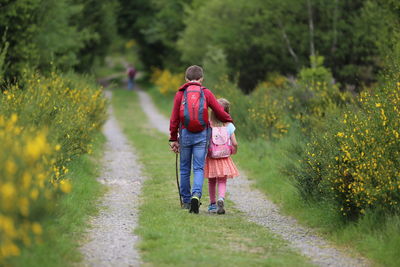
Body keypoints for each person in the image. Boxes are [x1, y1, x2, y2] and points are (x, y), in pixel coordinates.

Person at [169, 65, 233, 214]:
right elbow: (219, 110)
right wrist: (230, 121)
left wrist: (173, 138)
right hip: (201, 135)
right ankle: (196, 195)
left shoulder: (181, 93)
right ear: (201, 79)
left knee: (184, 168)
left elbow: (174, 118)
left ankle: (186, 201)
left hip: (185, 134)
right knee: (198, 168)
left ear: (186, 79)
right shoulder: (206, 93)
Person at [204, 98, 239, 214]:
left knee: (212, 181)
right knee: (222, 181)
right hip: (224, 157)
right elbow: (235, 143)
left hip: (212, 157)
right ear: (227, 112)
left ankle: (212, 204)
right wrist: (234, 150)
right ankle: (221, 198)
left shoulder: (209, 124)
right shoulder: (229, 125)